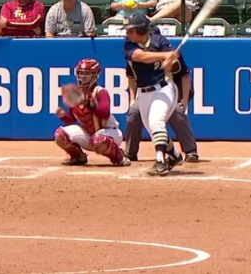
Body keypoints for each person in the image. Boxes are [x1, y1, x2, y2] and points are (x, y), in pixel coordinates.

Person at [124, 25, 199, 162]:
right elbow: (132, 78)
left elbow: (185, 77)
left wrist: (184, 101)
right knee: (135, 112)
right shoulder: (134, 51)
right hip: (146, 92)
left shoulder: (169, 51)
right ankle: (130, 151)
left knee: (177, 111)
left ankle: (190, 150)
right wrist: (132, 99)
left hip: (170, 90)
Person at [122, 13, 184, 176]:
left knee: (157, 122)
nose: (128, 34)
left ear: (141, 29)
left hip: (164, 89)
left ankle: (160, 162)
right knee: (153, 130)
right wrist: (164, 56)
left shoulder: (160, 41)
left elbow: (176, 67)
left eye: (131, 30)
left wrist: (171, 62)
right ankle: (175, 156)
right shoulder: (129, 44)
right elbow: (138, 56)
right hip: (143, 92)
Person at [54, 59, 131, 167]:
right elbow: (72, 120)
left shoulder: (100, 92)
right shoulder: (77, 94)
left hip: (110, 132)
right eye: (81, 73)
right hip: (89, 135)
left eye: (87, 74)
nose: (83, 77)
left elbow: (104, 113)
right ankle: (78, 156)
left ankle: (119, 156)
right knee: (60, 134)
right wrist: (63, 116)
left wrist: (89, 104)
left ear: (95, 75)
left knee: (97, 140)